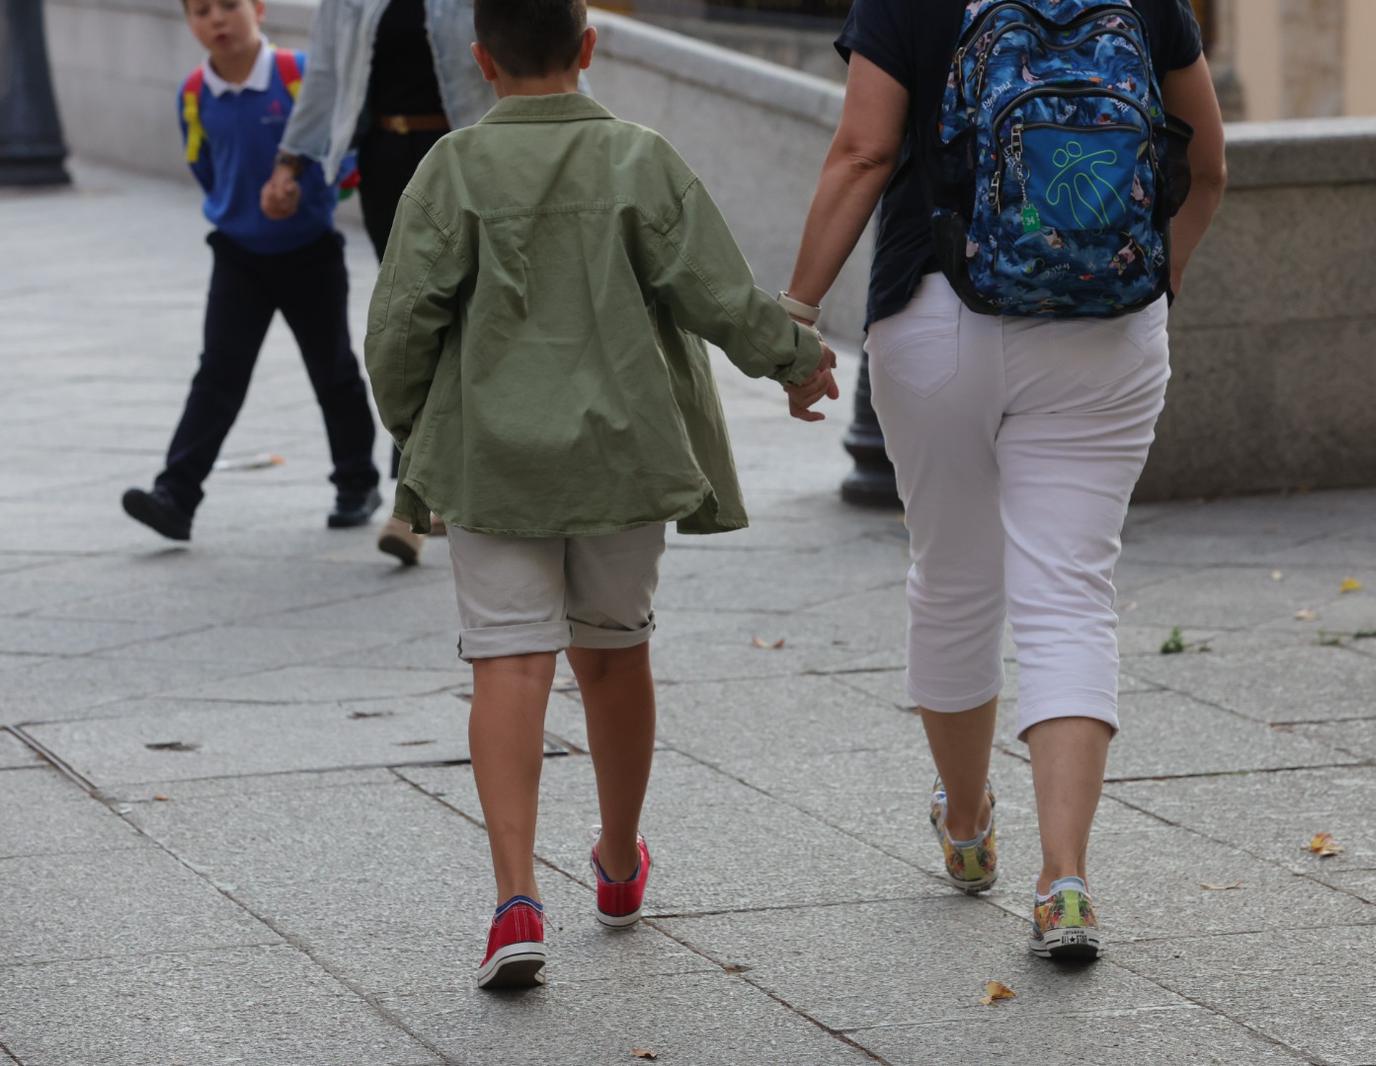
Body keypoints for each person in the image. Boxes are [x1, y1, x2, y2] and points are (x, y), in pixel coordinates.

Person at [364, 0, 839, 989]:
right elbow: (713, 291)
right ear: (587, 47)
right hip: (623, 454)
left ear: (480, 59)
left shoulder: (449, 169)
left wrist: (419, 428)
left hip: (493, 460)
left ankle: (513, 905)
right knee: (615, 657)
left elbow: (400, 327)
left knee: (508, 664)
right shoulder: (640, 159)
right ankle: (618, 864)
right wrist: (794, 360)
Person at [780, 0, 1227, 960]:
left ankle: (970, 827)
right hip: (1107, 328)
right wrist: (1158, 283)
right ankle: (1064, 882)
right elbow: (1211, 164)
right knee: (1068, 594)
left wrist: (796, 311)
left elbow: (862, 154)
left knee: (952, 581)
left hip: (937, 311)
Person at [121, 0, 381, 543]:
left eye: (228, 6)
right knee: (218, 374)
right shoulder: (194, 94)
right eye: (199, 11)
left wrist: (305, 190)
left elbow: (343, 153)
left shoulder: (298, 75)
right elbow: (204, 165)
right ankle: (176, 495)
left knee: (331, 369)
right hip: (238, 254)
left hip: (310, 250)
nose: (215, 20)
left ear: (259, 9)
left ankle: (357, 482)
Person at [260, 0, 496, 565]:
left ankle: (428, 493)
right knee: (413, 324)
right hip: (389, 165)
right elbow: (324, 75)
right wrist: (290, 162)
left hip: (468, 159)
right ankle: (417, 496)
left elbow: (527, 54)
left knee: (466, 324)